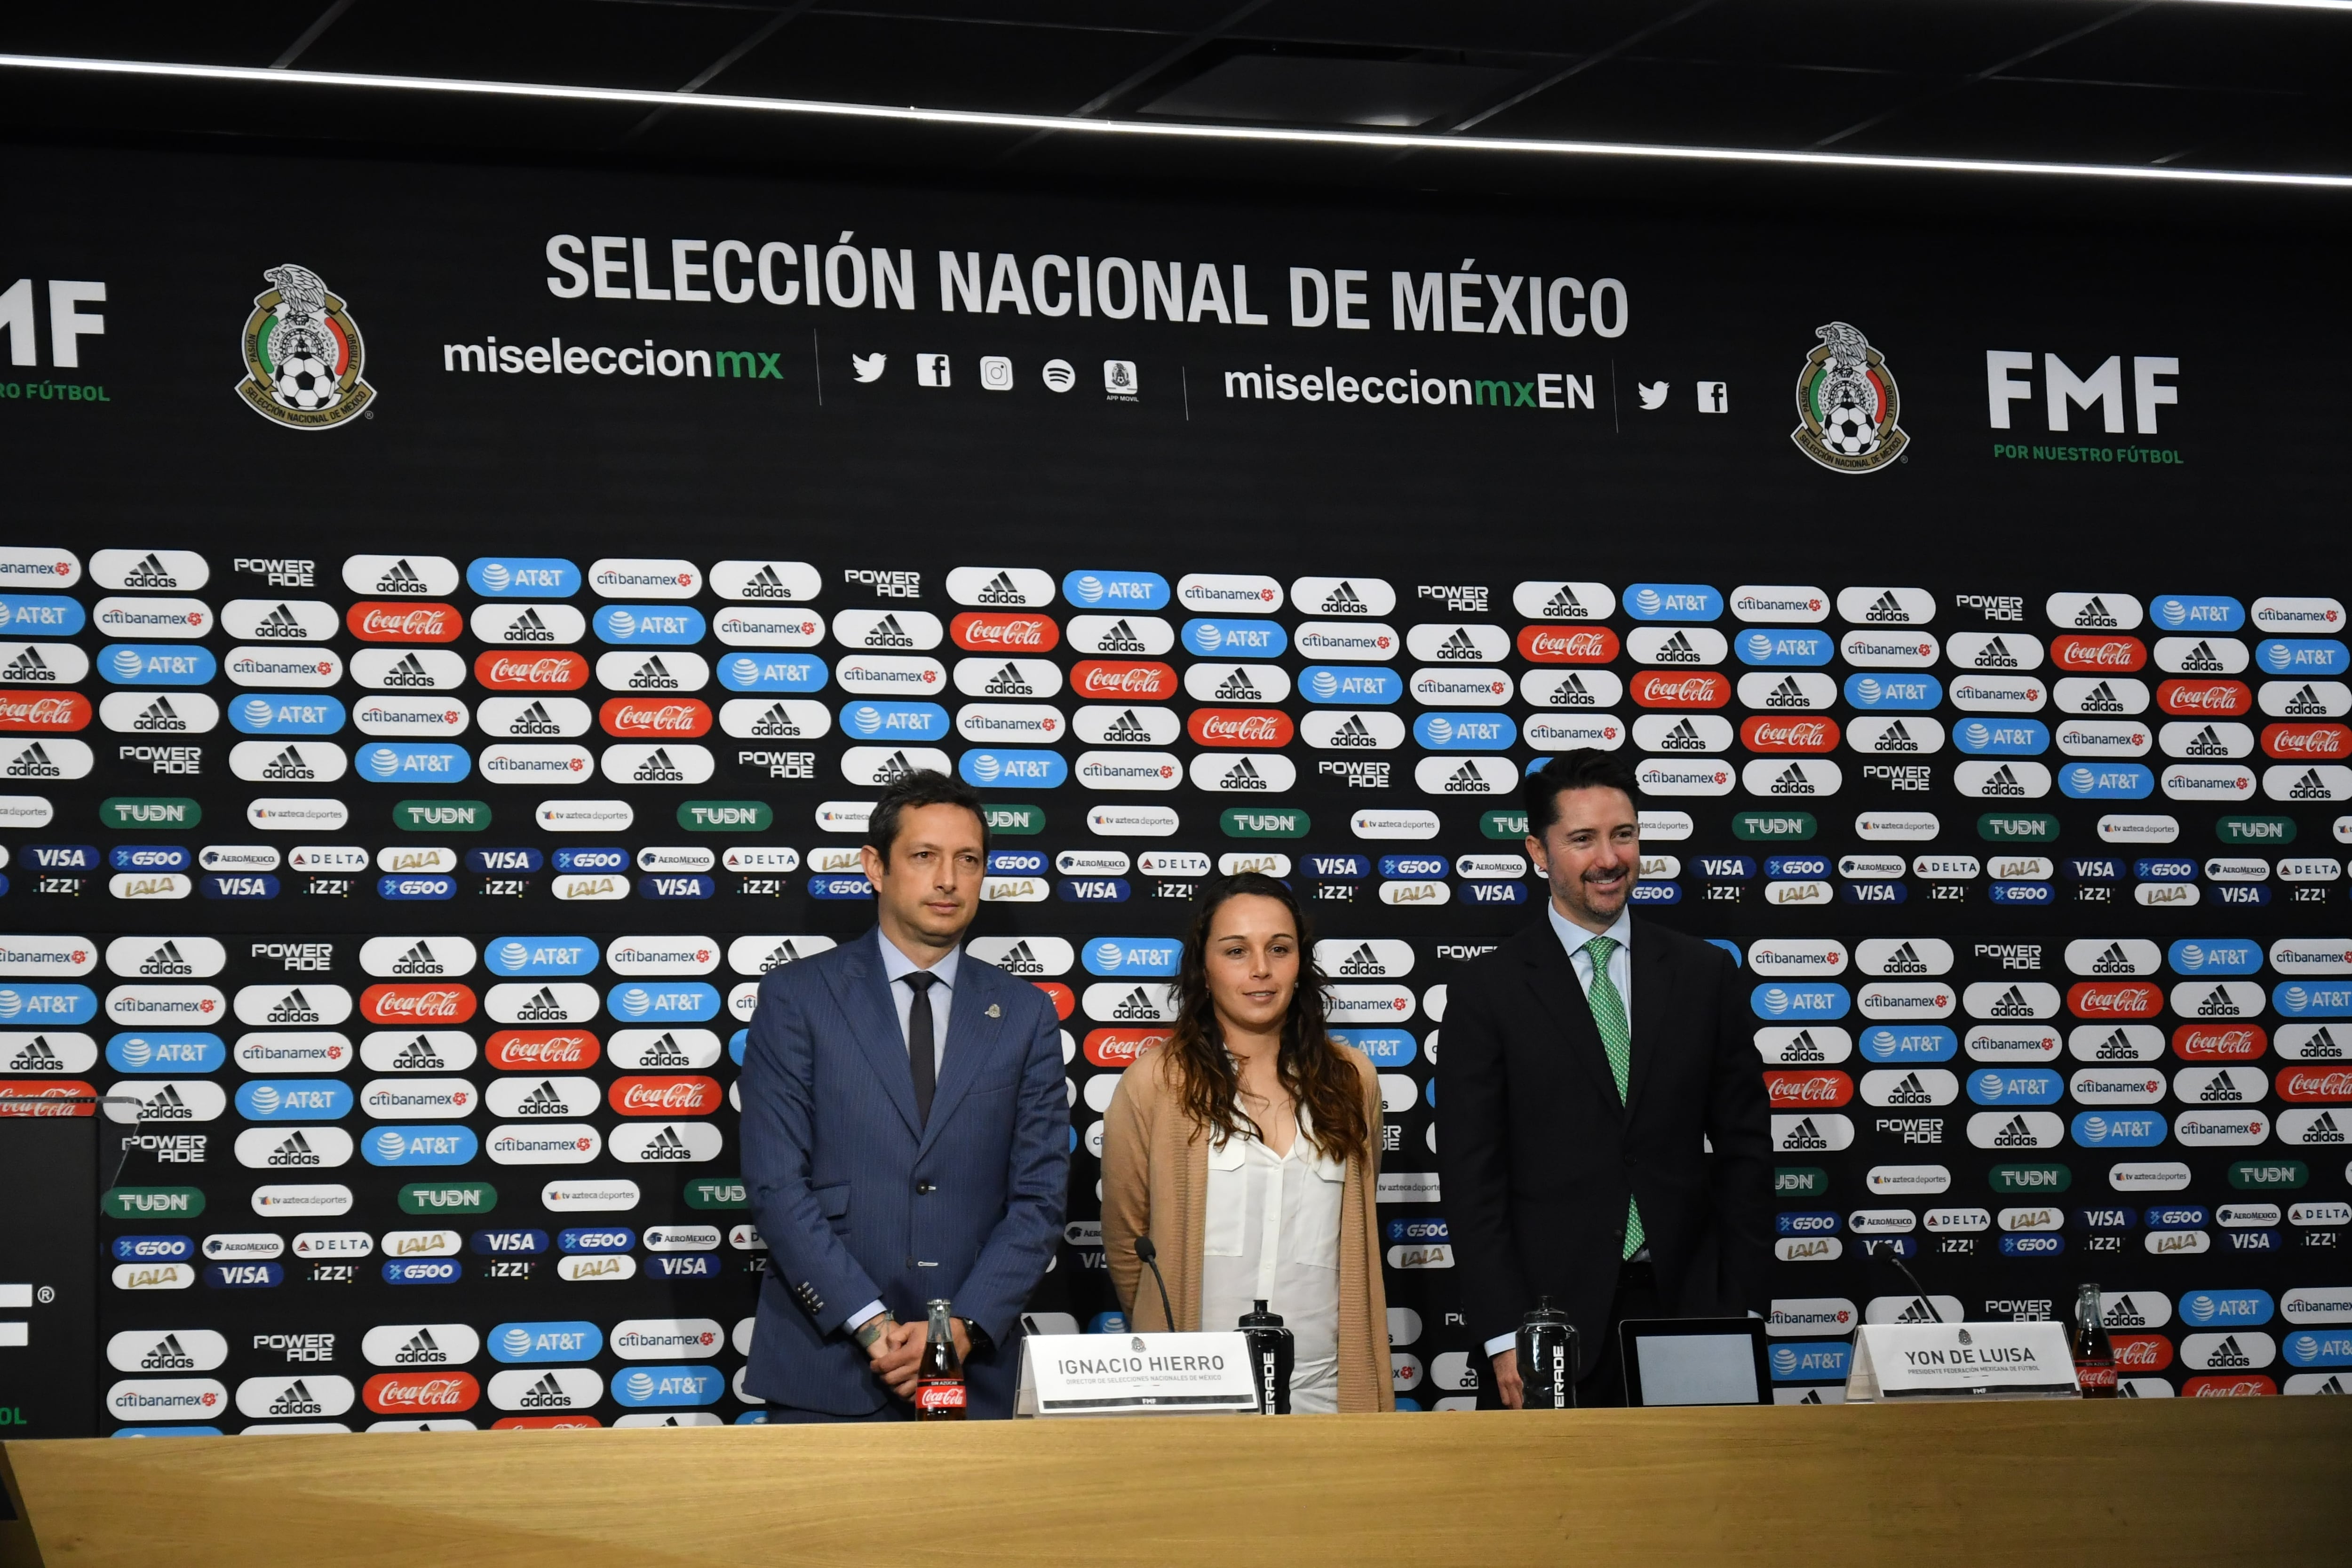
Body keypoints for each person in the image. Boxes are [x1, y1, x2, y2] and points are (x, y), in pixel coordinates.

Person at [1437, 751, 1771, 1408]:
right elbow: (1473, 1177)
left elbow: (1746, 1155)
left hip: (1690, 1311)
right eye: (1583, 839)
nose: (1610, 858)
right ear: (1539, 850)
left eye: (1623, 834)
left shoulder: (1705, 976)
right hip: (1546, 1320)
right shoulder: (1489, 991)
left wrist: (1744, 1309)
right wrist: (1506, 1334)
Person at [739, 771, 1070, 1420]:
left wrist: (958, 1332)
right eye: (925, 856)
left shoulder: (1026, 1014)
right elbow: (777, 1183)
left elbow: (1039, 1199)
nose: (948, 878)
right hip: (828, 1368)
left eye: (967, 860)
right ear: (875, 867)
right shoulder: (797, 999)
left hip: (976, 1374)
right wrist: (870, 1325)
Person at [1101, 873, 1395, 1414]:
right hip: (1191, 1390)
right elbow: (1129, 1248)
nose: (1260, 968)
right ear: (1203, 968)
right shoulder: (1153, 1084)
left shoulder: (1353, 1080)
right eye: (1236, 951)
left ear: (1300, 964)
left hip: (1326, 1388)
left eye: (1278, 949)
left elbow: (1357, 1224)